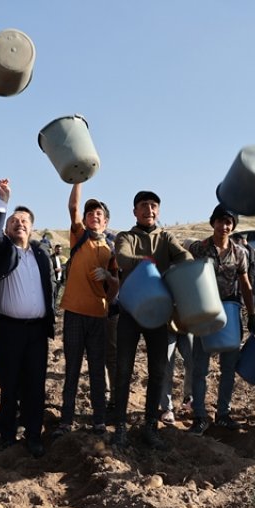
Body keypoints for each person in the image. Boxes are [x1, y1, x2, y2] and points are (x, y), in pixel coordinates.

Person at [113, 190, 193, 449]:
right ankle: (121, 428)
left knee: (158, 371)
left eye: (154, 206)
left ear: (158, 211)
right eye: (144, 205)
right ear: (134, 211)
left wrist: (179, 267)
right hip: (130, 313)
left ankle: (150, 426)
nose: (149, 210)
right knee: (123, 370)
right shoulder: (126, 237)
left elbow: (185, 257)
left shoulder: (166, 237)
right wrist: (149, 264)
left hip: (159, 314)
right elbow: (123, 259)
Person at [0, 179, 56, 457]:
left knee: (35, 383)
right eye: (14, 220)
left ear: (33, 227)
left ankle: (34, 434)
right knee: (10, 382)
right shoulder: (3, 252)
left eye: (25, 220)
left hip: (37, 331)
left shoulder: (40, 254)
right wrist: (3, 201)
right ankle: (6, 433)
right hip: (9, 330)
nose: (20, 223)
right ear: (7, 227)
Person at [52, 184, 118, 438]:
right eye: (90, 212)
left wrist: (109, 279)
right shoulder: (78, 235)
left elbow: (114, 291)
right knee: (72, 369)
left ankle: (99, 420)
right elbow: (73, 207)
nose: (93, 215)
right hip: (74, 313)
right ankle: (66, 420)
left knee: (97, 369)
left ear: (106, 221)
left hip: (98, 316)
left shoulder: (111, 250)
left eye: (98, 213)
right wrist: (77, 178)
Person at [185, 205, 255, 435]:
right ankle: (199, 415)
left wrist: (252, 314)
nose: (224, 226)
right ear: (212, 222)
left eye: (229, 222)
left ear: (233, 226)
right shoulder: (199, 248)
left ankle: (223, 413)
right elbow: (185, 274)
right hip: (204, 313)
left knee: (229, 366)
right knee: (200, 367)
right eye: (220, 221)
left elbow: (245, 284)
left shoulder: (239, 253)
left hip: (230, 311)